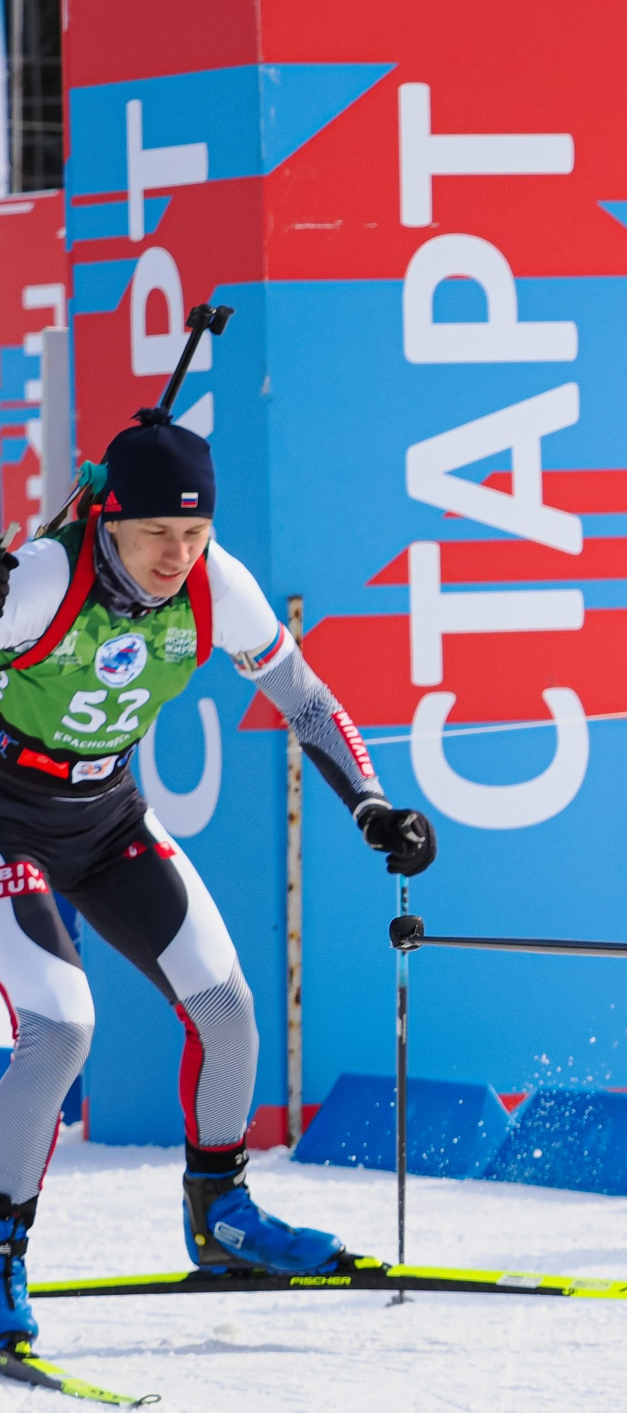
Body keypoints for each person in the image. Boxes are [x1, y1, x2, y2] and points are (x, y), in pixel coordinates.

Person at [0, 409, 438, 1348]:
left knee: (226, 1006)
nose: (177, 555)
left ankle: (221, 1216)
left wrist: (370, 803)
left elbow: (306, 701)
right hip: (4, 819)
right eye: (157, 531)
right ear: (108, 517)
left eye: (195, 532)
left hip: (105, 813)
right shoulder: (41, 581)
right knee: (61, 1027)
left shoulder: (215, 584)